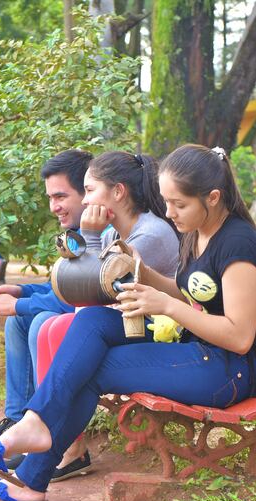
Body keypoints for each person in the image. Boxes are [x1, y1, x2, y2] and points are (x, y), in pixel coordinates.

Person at [0, 143, 256, 501]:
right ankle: (34, 427)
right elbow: (188, 291)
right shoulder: (200, 230)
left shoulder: (238, 244)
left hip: (230, 371)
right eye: (166, 201)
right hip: (199, 350)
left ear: (212, 197)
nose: (170, 213)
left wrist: (166, 307)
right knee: (96, 320)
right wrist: (139, 270)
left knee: (92, 369)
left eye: (179, 204)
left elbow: (240, 337)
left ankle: (33, 474)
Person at [30, 150, 181, 479]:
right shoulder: (114, 232)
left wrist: (90, 236)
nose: (84, 200)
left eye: (90, 190)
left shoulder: (150, 235)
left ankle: (68, 446)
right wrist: (90, 238)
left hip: (157, 332)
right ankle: (44, 433)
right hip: (122, 324)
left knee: (57, 330)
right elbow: (78, 287)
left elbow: (93, 291)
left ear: (118, 192)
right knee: (47, 327)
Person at [0, 149, 92, 445]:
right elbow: (62, 289)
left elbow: (76, 299)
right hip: (87, 323)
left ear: (87, 193)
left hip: (106, 328)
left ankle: (44, 428)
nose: (54, 207)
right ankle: (16, 421)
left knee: (38, 320)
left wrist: (17, 304)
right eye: (50, 198)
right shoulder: (78, 232)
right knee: (19, 322)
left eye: (60, 196)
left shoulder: (97, 234)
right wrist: (19, 291)